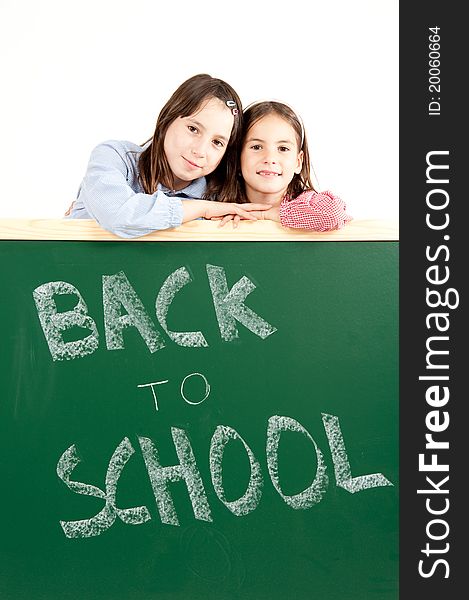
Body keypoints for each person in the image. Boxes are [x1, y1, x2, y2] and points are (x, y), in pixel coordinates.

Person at [66, 74, 271, 238]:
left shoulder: (218, 196)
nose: (200, 151)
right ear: (167, 119)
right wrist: (202, 209)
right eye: (193, 129)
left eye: (217, 143)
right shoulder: (114, 158)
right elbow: (120, 214)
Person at [216, 101, 352, 230]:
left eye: (283, 149)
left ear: (298, 162)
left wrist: (266, 214)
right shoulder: (221, 204)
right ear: (238, 158)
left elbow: (334, 214)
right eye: (257, 147)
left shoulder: (308, 202)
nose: (270, 159)